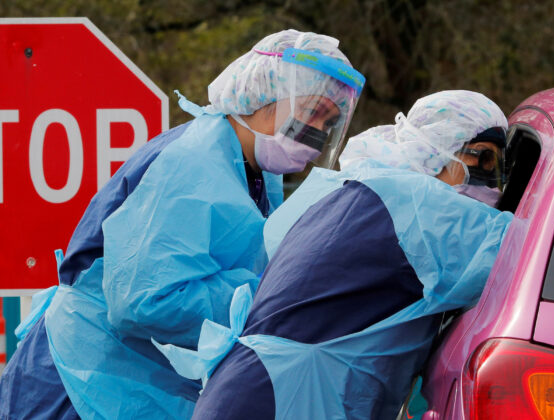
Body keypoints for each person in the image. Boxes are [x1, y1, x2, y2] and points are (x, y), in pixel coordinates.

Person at [0, 29, 365, 420]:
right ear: (263, 92)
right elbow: (143, 301)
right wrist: (260, 297)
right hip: (74, 384)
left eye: (330, 120)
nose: (318, 131)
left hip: (121, 381)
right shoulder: (194, 162)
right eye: (311, 111)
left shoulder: (251, 169)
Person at [154, 90, 514, 420]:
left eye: (499, 167)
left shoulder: (368, 188)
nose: (493, 184)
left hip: (259, 389)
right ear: (437, 149)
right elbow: (528, 254)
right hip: (283, 399)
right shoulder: (418, 206)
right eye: (480, 159)